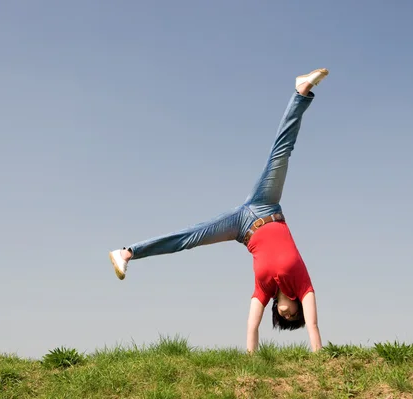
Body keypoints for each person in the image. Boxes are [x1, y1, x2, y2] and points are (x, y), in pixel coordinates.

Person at [109, 68, 329, 353]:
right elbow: (313, 326)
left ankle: (128, 252)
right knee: (281, 152)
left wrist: (251, 368)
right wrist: (319, 359)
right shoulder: (303, 284)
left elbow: (251, 327)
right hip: (266, 205)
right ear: (299, 303)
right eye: (294, 314)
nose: (289, 315)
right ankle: (301, 92)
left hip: (241, 227)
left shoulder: (263, 291)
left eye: (285, 318)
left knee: (190, 238)